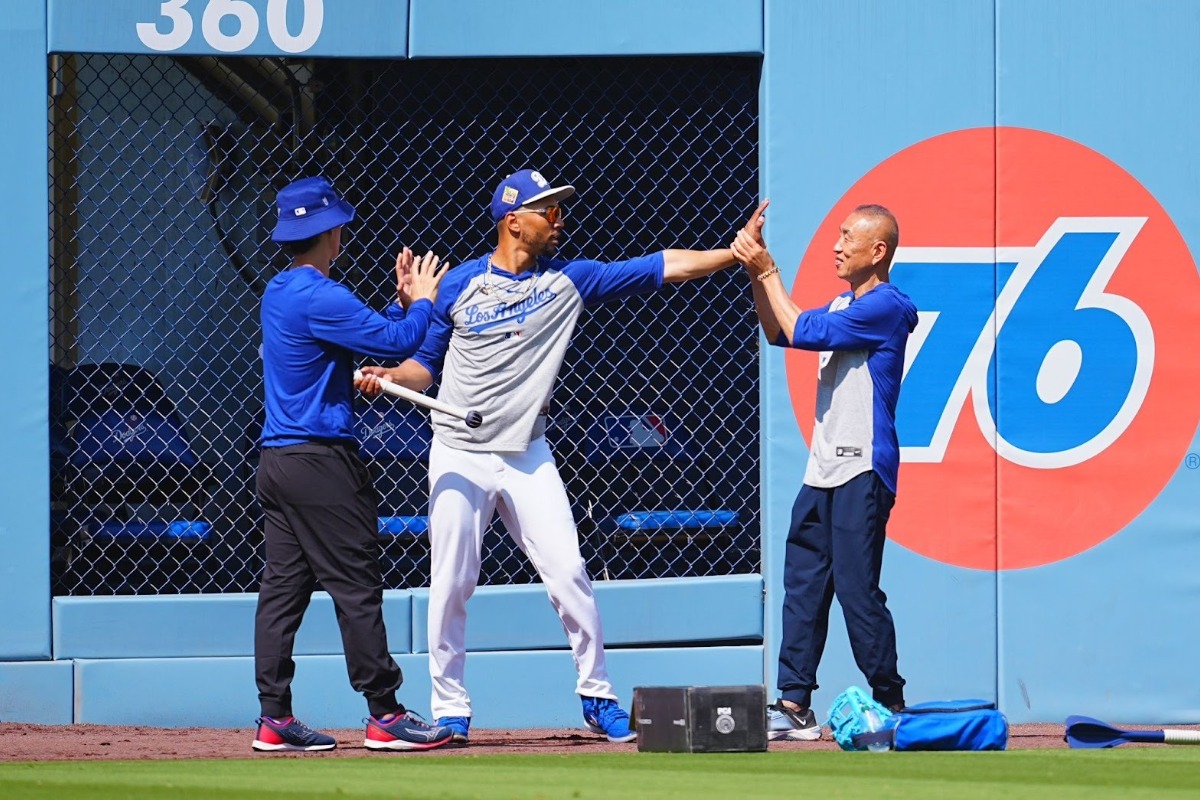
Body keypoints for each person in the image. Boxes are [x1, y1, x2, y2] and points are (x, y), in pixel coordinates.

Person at [358, 168, 767, 745]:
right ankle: (450, 709)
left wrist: (733, 253)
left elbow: (663, 266)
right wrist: (386, 376)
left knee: (569, 572)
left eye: (558, 209)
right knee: (451, 582)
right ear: (513, 221)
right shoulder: (459, 285)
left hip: (527, 451)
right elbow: (422, 369)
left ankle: (597, 696)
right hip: (460, 452)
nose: (559, 220)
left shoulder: (570, 280)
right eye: (547, 210)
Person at [252, 175, 455, 753]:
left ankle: (274, 718)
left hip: (278, 464)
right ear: (332, 234)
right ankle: (385, 713)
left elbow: (363, 334)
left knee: (283, 590)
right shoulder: (323, 296)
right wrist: (421, 302)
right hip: (321, 463)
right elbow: (397, 343)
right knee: (357, 587)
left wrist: (401, 307)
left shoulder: (279, 290)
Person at [730, 201, 917, 741]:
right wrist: (755, 272)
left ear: (877, 251)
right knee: (804, 588)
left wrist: (767, 268)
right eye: (837, 235)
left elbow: (801, 328)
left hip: (864, 468)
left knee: (857, 591)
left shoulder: (887, 306)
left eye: (847, 237)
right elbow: (779, 331)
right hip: (822, 470)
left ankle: (890, 702)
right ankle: (794, 705)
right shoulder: (841, 304)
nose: (836, 246)